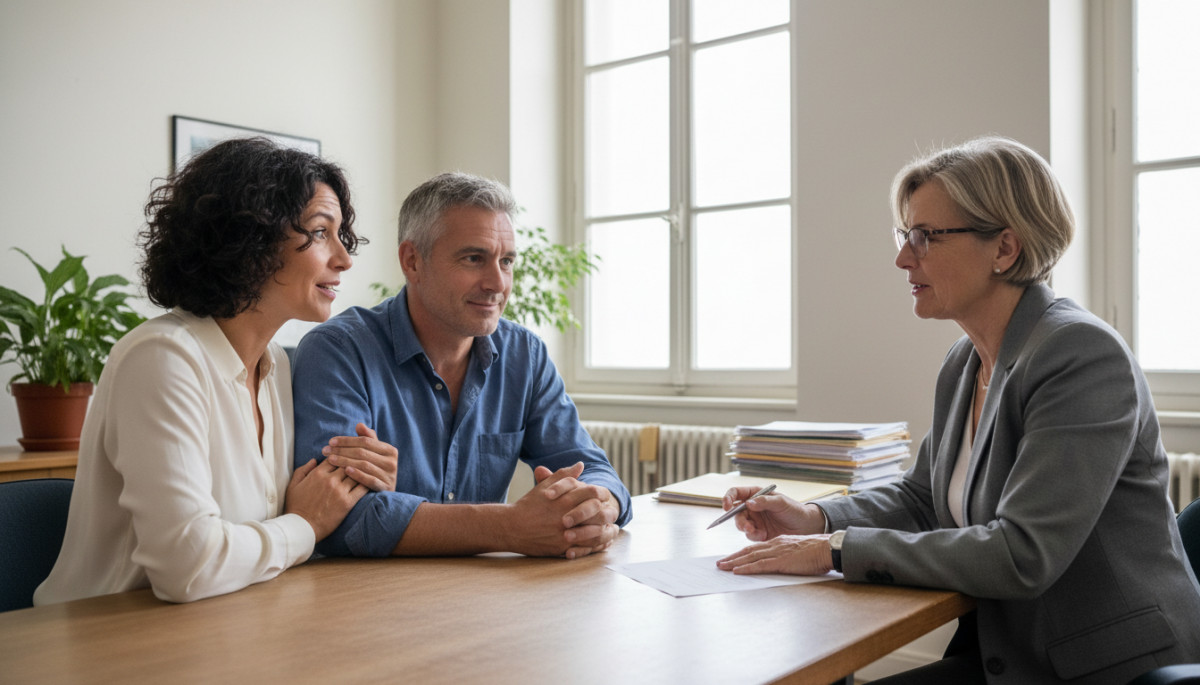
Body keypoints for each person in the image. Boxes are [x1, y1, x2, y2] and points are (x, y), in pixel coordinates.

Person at [716, 137, 1200, 683]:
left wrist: (834, 550)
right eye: (905, 235)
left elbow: (1023, 553)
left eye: (925, 237)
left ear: (1004, 249)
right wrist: (817, 518)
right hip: (1017, 651)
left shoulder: (1081, 356)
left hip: (1106, 666)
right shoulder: (966, 359)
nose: (903, 257)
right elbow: (924, 497)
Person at [34, 138, 397, 605]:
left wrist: (356, 481)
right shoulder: (163, 359)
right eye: (322, 232)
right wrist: (306, 524)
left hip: (225, 626)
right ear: (252, 239)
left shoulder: (276, 366)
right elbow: (187, 567)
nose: (344, 259)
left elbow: (278, 526)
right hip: (107, 643)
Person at [291, 171, 632, 560]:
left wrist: (599, 505)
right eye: (474, 259)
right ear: (412, 261)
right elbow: (339, 519)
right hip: (367, 603)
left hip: (485, 600)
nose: (497, 283)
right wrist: (510, 527)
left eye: (506, 261)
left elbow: (592, 468)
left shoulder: (525, 355)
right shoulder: (338, 351)